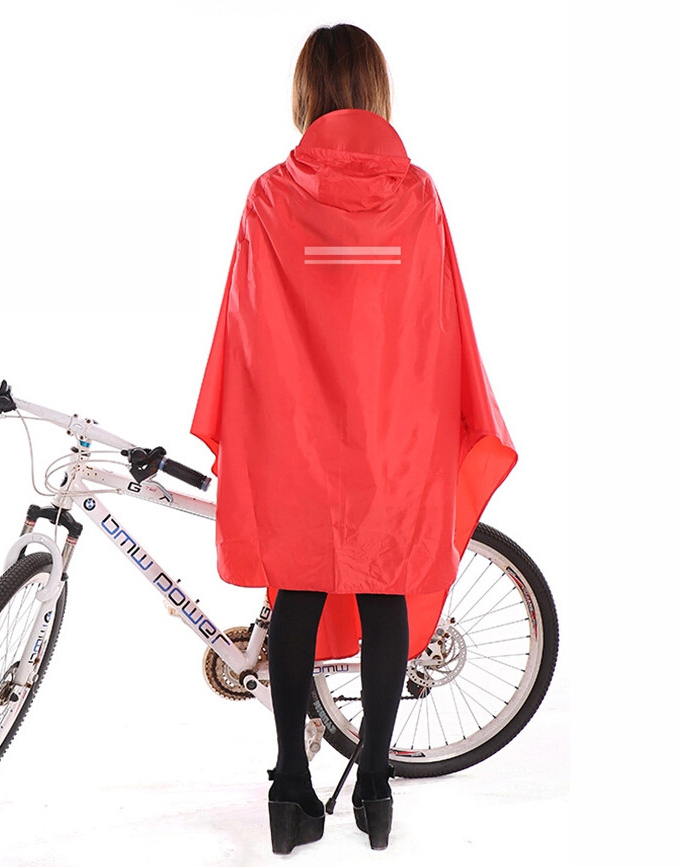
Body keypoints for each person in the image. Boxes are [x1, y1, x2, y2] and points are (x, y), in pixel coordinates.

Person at [190, 23, 517, 854]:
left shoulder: (271, 195)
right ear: (375, 90)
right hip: (391, 435)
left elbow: (248, 331)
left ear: (306, 92)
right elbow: (438, 325)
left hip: (297, 437)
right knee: (384, 592)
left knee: (295, 591)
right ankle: (373, 784)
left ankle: (288, 791)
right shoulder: (417, 196)